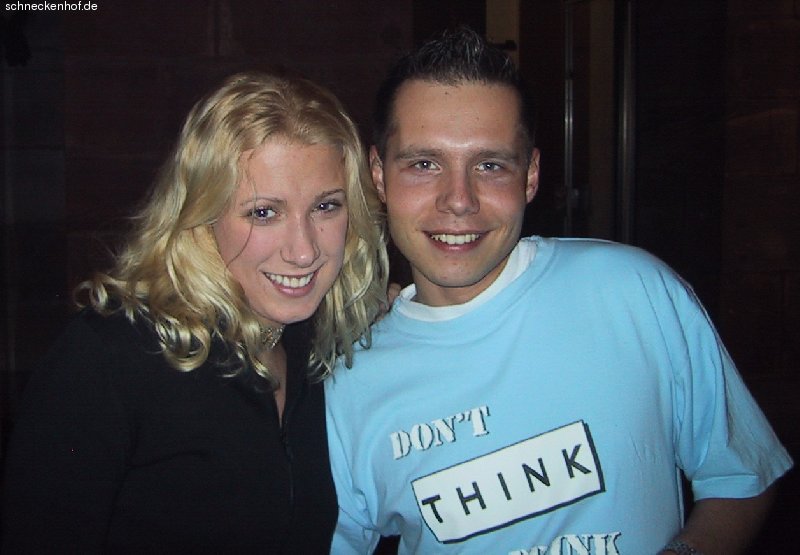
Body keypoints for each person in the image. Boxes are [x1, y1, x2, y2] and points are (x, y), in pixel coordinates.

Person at [324, 27, 793, 555]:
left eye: (490, 165)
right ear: (379, 175)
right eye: (424, 164)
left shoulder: (633, 294)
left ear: (530, 175)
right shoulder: (349, 385)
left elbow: (742, 476)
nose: (459, 200)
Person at [1, 71, 387, 553]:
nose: (304, 250)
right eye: (263, 212)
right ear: (203, 216)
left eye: (326, 207)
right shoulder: (107, 358)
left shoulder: (316, 349)